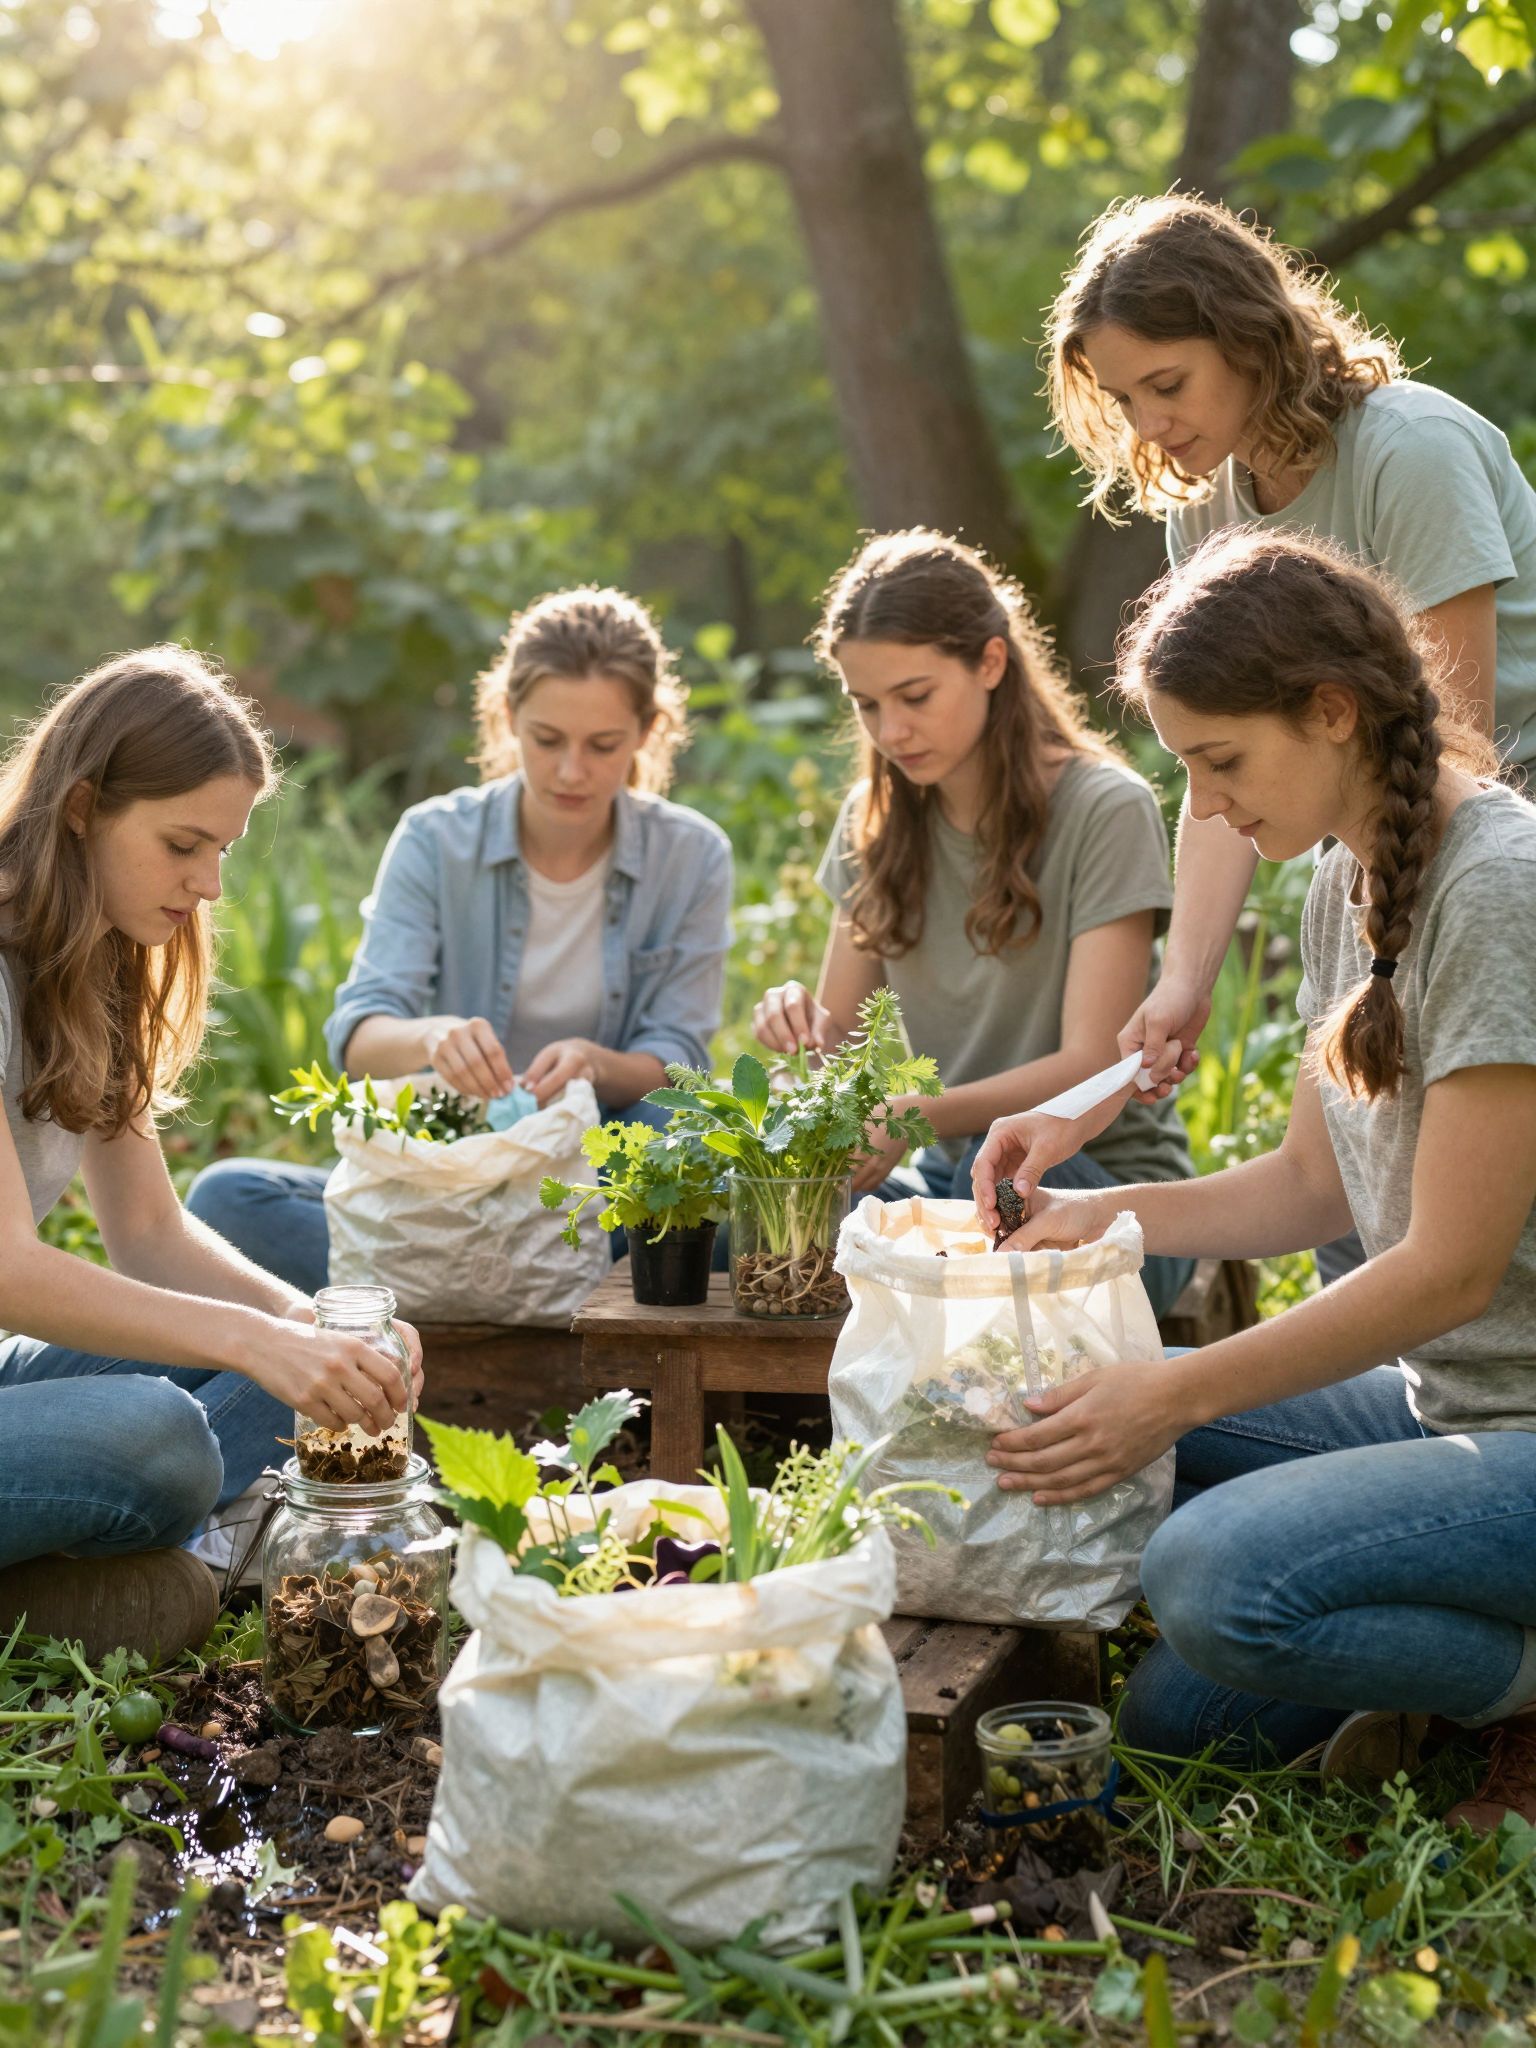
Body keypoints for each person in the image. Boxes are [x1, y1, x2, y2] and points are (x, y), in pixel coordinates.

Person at [977, 529, 1536, 1830]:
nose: (1210, 812)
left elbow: (1448, 1270)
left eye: (1220, 763)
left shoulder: (1501, 890)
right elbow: (1311, 1186)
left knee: (1211, 1579)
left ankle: (1512, 1683)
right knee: (1176, 1713)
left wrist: (1170, 1391)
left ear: (1331, 710)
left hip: (1515, 1424)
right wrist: (1091, 1213)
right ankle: (1439, 1644)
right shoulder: (1343, 876)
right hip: (1449, 1406)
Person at [1038, 193, 1536, 1280]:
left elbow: (1457, 742)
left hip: (1495, 809)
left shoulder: (1413, 448)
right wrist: (1184, 978)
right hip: (1367, 815)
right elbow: (1218, 753)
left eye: (1167, 384)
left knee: (1436, 1165)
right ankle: (1366, 1388)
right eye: (1125, 399)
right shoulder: (1206, 507)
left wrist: (1374, 917)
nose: (1151, 424)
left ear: (1251, 334)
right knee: (1349, 1149)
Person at [0, 649, 421, 1660]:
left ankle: (88, 1579)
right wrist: (251, 1338)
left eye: (223, 848)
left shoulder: (98, 961)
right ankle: (101, 1570)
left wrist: (303, 1327)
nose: (210, 882)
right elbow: (8, 1268)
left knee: (289, 1358)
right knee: (161, 1438)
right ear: (82, 807)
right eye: (184, 843)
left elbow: (146, 1232)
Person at [188, 586, 733, 1294]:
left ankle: (454, 1285)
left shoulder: (691, 855)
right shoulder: (435, 840)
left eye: (602, 745)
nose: (572, 771)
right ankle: (543, 1289)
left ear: (647, 731)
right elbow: (358, 1039)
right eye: (547, 740)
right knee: (227, 1201)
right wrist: (435, 1038)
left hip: (594, 1182)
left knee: (694, 1145)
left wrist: (597, 1065)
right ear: (507, 719)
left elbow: (679, 1063)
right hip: (450, 1176)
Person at [753, 527, 1195, 1319]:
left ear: (991, 663)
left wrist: (915, 1116)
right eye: (867, 706)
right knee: (755, 1218)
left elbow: (1092, 1058)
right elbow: (837, 1059)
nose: (890, 732)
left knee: (982, 1189)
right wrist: (796, 1035)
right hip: (950, 1176)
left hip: (1103, 1189)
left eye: (914, 697)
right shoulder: (874, 822)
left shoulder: (1104, 808)